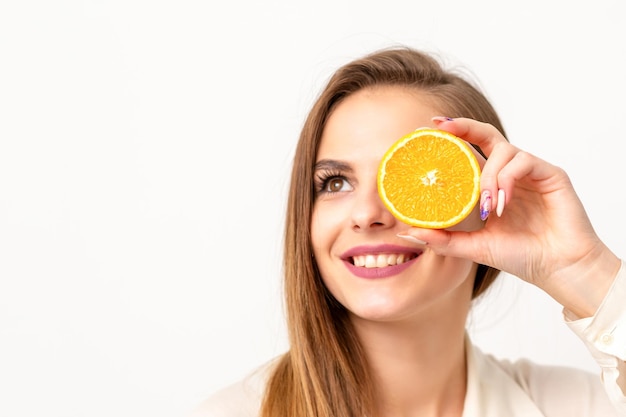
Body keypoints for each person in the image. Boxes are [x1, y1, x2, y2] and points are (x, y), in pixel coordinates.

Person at [192, 46, 626, 416]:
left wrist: (583, 269)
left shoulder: (577, 406)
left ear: (483, 200)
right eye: (335, 182)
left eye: (409, 180)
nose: (366, 214)